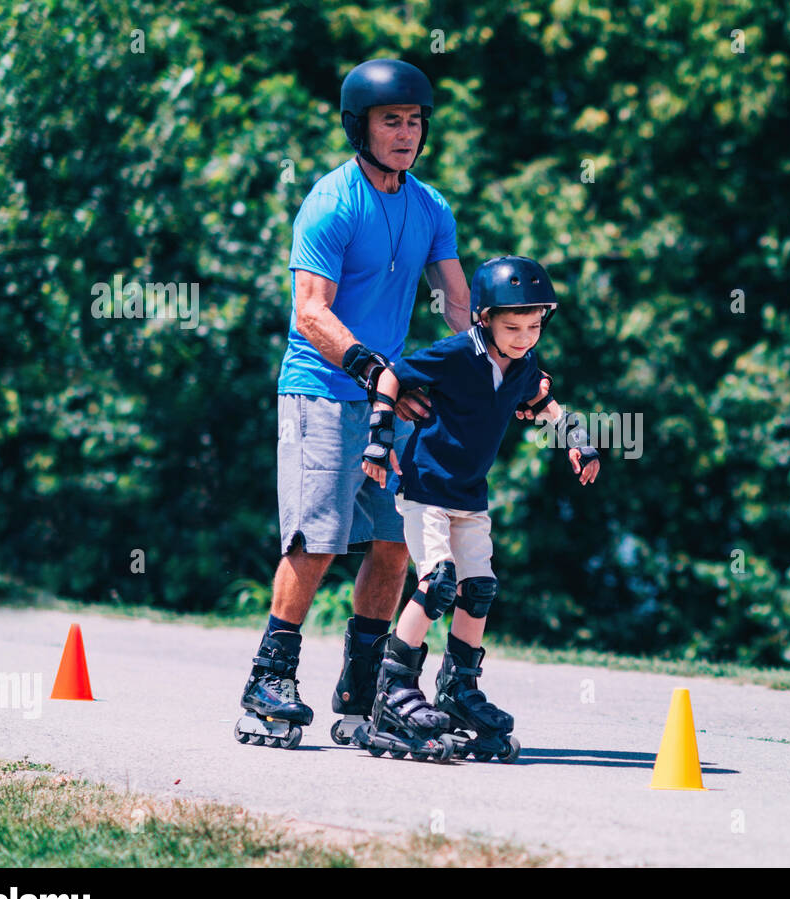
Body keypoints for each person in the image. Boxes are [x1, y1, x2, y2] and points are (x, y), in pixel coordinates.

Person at [234, 59, 547, 749]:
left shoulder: (431, 208)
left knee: (394, 542)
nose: (404, 134)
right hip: (320, 388)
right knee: (316, 539)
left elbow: (462, 304)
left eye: (413, 122)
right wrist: (375, 368)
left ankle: (366, 689)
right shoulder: (331, 203)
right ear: (361, 126)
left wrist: (499, 371)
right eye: (390, 121)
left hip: (393, 398)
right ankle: (270, 677)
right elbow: (310, 311)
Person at [354, 255, 601, 761]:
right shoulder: (455, 355)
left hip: (470, 496)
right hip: (427, 489)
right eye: (512, 327)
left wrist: (578, 439)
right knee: (437, 580)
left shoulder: (524, 365)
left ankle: (458, 688)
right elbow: (390, 377)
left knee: (479, 588)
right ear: (483, 318)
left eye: (534, 326)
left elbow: (546, 402)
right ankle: (391, 691)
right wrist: (378, 438)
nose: (524, 337)